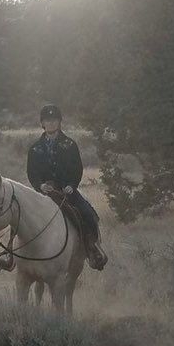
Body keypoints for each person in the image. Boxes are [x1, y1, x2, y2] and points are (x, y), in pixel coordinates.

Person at [27, 104, 108, 270]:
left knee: (87, 213)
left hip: (66, 192)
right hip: (44, 193)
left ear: (59, 122)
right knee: (20, 213)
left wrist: (72, 185)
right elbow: (32, 172)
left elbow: (77, 168)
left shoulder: (70, 145)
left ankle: (93, 249)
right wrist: (40, 185)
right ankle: (13, 255)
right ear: (42, 123)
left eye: (54, 120)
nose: (51, 123)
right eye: (47, 121)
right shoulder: (35, 149)